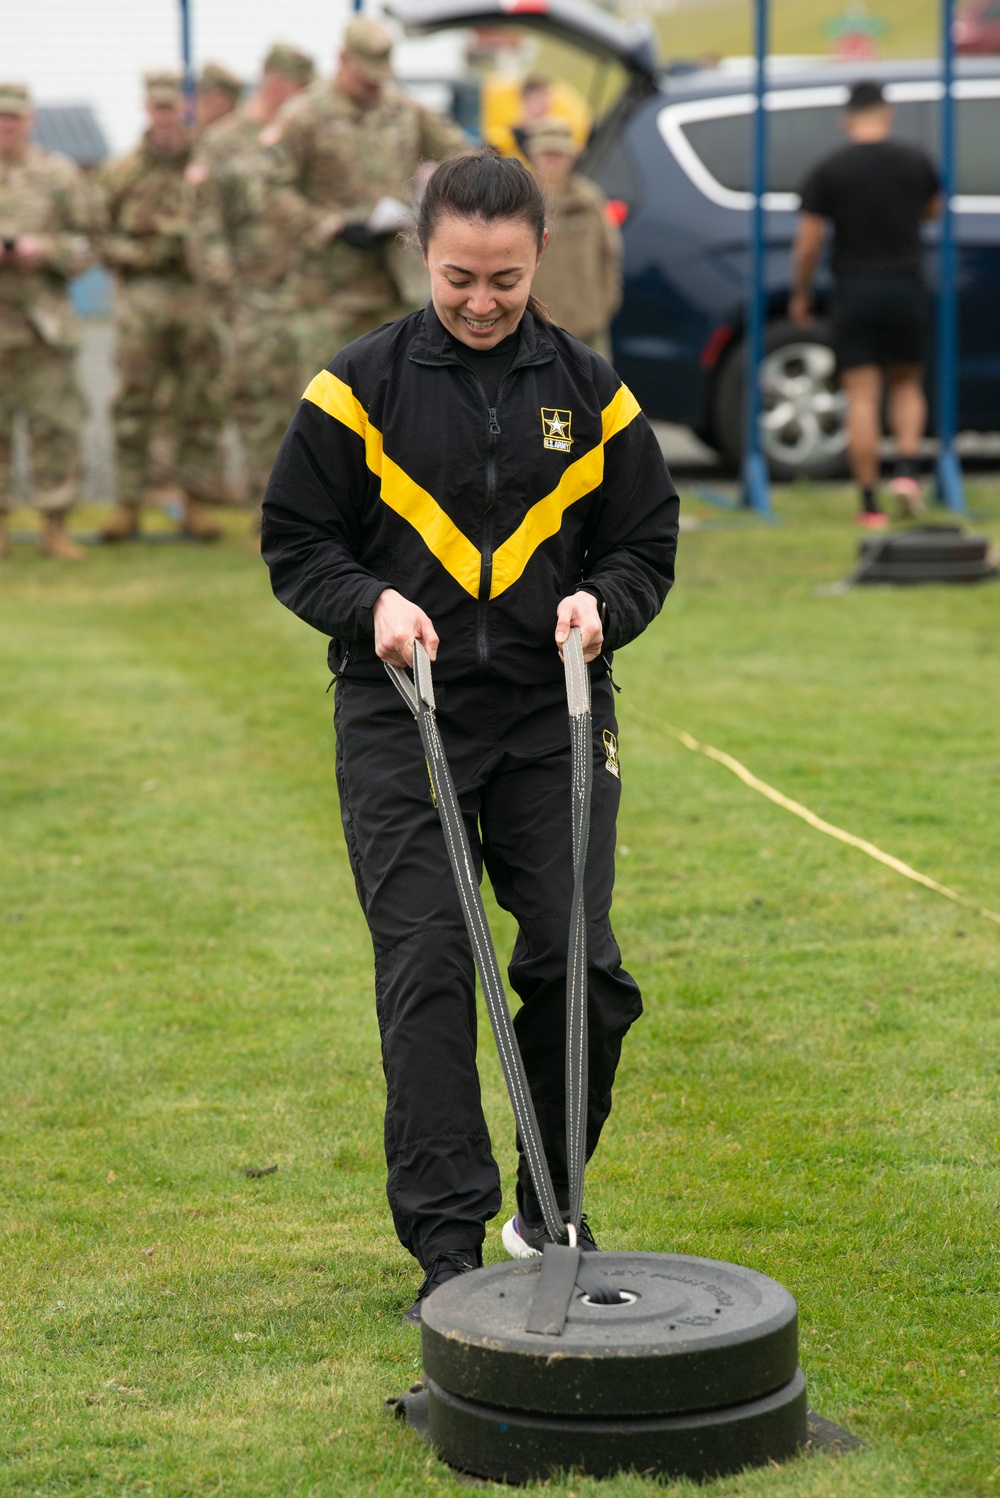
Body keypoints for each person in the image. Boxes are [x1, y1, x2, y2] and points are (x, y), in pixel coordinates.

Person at [261, 149, 679, 1323]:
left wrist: (608, 607)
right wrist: (371, 605)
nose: (482, 302)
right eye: (457, 278)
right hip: (403, 710)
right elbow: (298, 543)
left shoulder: (593, 393)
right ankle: (450, 1249)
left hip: (553, 712)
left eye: (503, 278)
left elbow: (641, 543)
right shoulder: (356, 389)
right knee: (433, 968)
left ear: (541, 252)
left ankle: (548, 1208)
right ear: (422, 256)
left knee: (579, 969)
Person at [268, 16, 467, 383]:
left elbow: (460, 154)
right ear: (342, 60)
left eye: (382, 77)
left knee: (397, 398)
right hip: (328, 296)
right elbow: (271, 189)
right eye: (366, 78)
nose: (376, 88)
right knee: (333, 405)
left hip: (394, 286)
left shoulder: (405, 111)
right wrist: (331, 226)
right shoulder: (304, 116)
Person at [790, 80, 941, 527]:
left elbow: (808, 243)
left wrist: (801, 292)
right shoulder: (917, 161)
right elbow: (934, 210)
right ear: (888, 112)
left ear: (847, 118)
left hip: (854, 287)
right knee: (908, 383)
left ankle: (870, 504)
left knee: (861, 395)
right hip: (906, 283)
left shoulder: (830, 169)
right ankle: (909, 473)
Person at [97, 70, 237, 541]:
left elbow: (230, 221)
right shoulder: (121, 172)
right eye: (157, 107)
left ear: (186, 109)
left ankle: (196, 500)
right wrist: (146, 251)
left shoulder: (209, 164)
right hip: (144, 294)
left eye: (173, 106)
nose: (165, 116)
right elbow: (98, 237)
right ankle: (127, 504)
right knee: (134, 398)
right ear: (147, 109)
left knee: (201, 398)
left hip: (196, 294)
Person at [187, 44, 316, 534]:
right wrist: (225, 286)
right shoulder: (223, 141)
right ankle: (273, 511)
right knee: (256, 402)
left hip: (307, 292)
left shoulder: (298, 136)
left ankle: (315, 511)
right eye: (300, 90)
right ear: (278, 84)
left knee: (309, 399)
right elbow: (205, 221)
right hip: (251, 296)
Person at [0, 82, 104, 561]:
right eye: (1, 117)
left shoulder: (59, 175)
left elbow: (90, 242)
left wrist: (48, 251)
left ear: (30, 121)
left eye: (15, 118)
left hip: (45, 327)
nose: (7, 126)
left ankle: (55, 525)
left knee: (56, 426)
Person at [525, 116, 622, 360]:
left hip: (588, 330)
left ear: (572, 156)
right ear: (533, 155)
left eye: (558, 154)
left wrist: (603, 308)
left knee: (600, 394)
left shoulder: (590, 200)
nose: (552, 161)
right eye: (546, 153)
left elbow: (610, 254)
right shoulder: (522, 202)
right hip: (537, 331)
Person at [196, 63, 244, 135]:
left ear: (220, 101)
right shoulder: (204, 132)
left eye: (206, 98)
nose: (198, 104)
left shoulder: (225, 138)